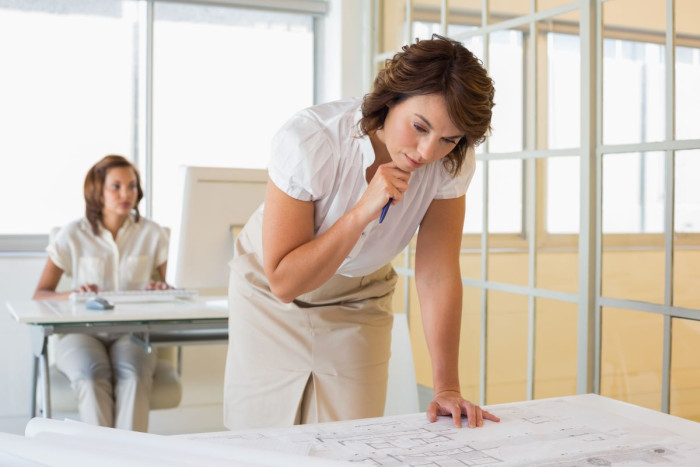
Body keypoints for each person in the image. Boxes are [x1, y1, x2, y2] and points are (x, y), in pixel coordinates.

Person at [224, 34, 500, 430]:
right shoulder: (312, 139)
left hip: (359, 296)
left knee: (351, 436)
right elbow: (284, 283)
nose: (426, 152)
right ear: (391, 98)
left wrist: (447, 388)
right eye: (419, 126)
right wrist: (359, 214)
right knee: (260, 437)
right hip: (269, 292)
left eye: (448, 139)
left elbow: (437, 272)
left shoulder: (450, 163)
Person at [33, 155, 170, 432]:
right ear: (97, 191)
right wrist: (73, 294)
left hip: (133, 332)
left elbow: (176, 292)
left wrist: (163, 290)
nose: (126, 194)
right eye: (116, 186)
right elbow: (40, 294)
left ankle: (130, 460)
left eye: (132, 186)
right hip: (79, 332)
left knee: (134, 375)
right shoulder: (71, 235)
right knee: (91, 375)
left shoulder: (153, 234)